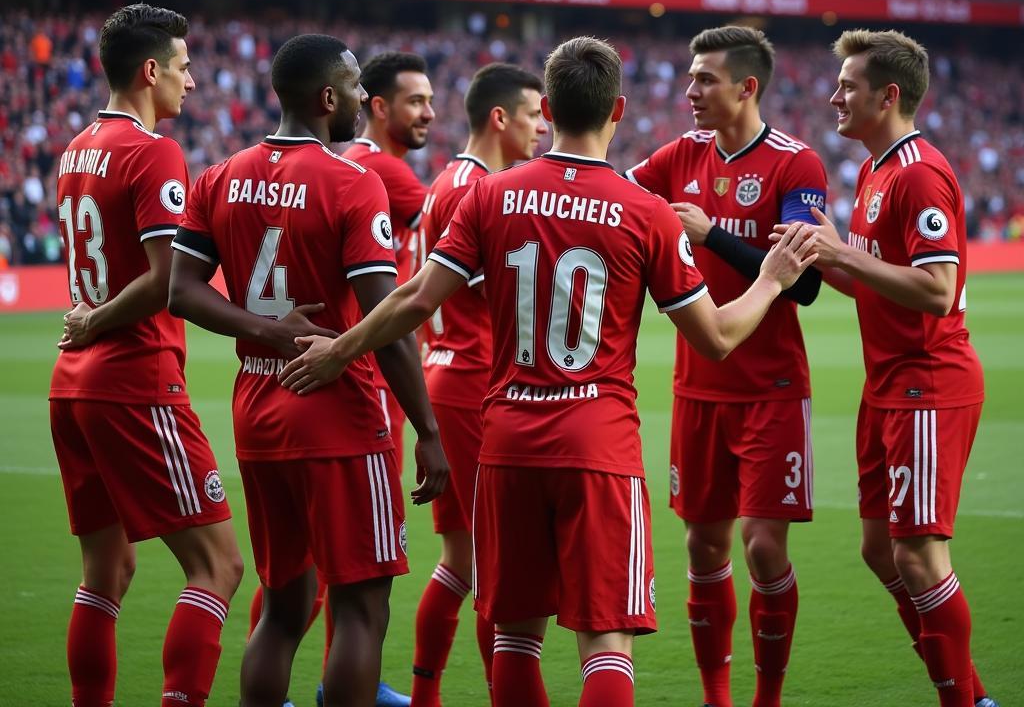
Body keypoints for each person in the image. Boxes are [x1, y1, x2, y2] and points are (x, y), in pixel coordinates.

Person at [280, 36, 818, 707]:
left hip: (507, 442)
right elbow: (715, 338)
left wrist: (339, 348)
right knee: (606, 642)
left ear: (550, 109)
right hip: (598, 445)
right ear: (617, 109)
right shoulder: (643, 211)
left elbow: (414, 298)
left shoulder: (491, 196)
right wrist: (769, 280)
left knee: (514, 636)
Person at [167, 34, 448, 707]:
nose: (360, 99)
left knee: (286, 606)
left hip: (258, 407)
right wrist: (429, 431)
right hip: (339, 411)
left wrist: (265, 330)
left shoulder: (221, 174)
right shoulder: (354, 182)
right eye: (354, 88)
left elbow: (182, 289)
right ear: (329, 98)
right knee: (361, 608)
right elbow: (389, 322)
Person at [775, 30, 996, 707]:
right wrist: (818, 258)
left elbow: (936, 289)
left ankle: (965, 696)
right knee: (880, 549)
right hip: (886, 386)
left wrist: (842, 257)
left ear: (887, 95)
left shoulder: (920, 174)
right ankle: (956, 679)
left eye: (848, 86)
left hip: (928, 382)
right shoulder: (874, 170)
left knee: (919, 555)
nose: (834, 96)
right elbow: (875, 282)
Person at [624, 24, 826, 707]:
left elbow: (803, 286)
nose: (690, 91)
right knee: (704, 548)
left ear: (748, 87)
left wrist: (712, 236)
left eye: (705, 79)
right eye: (690, 77)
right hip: (696, 388)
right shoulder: (680, 155)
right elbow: (616, 197)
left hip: (771, 388)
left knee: (763, 547)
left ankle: (765, 699)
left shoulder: (797, 167)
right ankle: (718, 699)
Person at [49, 3, 243, 707]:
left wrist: (89, 320)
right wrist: (101, 319)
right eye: (185, 68)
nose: (192, 84)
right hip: (133, 379)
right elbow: (165, 278)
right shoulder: (152, 149)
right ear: (151, 70)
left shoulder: (76, 146)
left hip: (71, 384)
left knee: (107, 571)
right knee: (218, 567)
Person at [411, 63, 547, 707]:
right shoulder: (483, 191)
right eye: (532, 115)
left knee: (464, 561)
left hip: (448, 371)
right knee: (491, 566)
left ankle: (426, 694)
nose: (543, 128)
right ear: (500, 118)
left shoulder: (450, 181)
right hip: (473, 383)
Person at [345, 51, 436, 472]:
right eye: (416, 102)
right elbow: (459, 227)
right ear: (379, 107)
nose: (429, 114)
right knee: (376, 520)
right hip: (377, 363)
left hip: (356, 352)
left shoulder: (353, 163)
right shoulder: (382, 168)